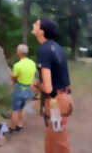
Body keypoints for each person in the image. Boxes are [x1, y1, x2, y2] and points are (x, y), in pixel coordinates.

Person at [31, 18, 73, 153]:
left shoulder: (44, 50)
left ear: (41, 31)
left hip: (56, 102)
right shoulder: (56, 47)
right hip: (62, 98)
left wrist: (37, 83)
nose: (33, 25)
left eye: (36, 24)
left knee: (59, 145)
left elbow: (48, 88)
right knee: (52, 142)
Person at [9, 44, 36, 132]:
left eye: (17, 50)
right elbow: (33, 75)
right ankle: (20, 125)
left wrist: (11, 76)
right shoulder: (32, 63)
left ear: (19, 52)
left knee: (15, 110)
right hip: (29, 90)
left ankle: (12, 127)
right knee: (22, 108)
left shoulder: (17, 65)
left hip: (20, 89)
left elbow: (14, 79)